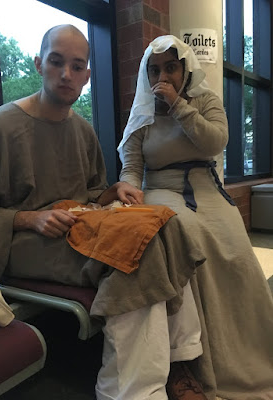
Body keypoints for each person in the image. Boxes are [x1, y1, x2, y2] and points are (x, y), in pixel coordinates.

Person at [0, 25, 215, 400]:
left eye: (76, 65)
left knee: (164, 226)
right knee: (134, 255)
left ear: (87, 75)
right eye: (56, 62)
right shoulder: (2, 126)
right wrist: (29, 218)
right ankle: (128, 391)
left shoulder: (83, 131)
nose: (66, 74)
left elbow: (89, 195)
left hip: (75, 227)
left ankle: (178, 361)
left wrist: (114, 191)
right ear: (39, 63)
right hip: (23, 241)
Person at [118, 34, 273, 400]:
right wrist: (127, 186)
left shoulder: (205, 99)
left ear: (185, 67)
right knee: (188, 237)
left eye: (170, 67)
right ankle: (196, 363)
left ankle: (255, 352)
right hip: (160, 188)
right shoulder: (141, 109)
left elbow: (216, 141)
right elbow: (132, 164)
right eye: (155, 69)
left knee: (236, 252)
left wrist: (177, 106)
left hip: (205, 186)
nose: (163, 76)